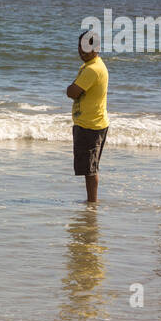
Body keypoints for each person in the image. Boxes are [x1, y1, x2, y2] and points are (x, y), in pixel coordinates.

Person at [66, 30, 109, 203]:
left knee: (90, 169)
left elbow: (73, 92)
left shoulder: (92, 69)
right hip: (91, 122)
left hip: (91, 125)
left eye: (86, 47)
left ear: (96, 48)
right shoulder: (91, 65)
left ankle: (92, 203)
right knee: (89, 167)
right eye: (80, 46)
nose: (82, 51)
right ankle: (91, 201)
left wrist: (69, 89)